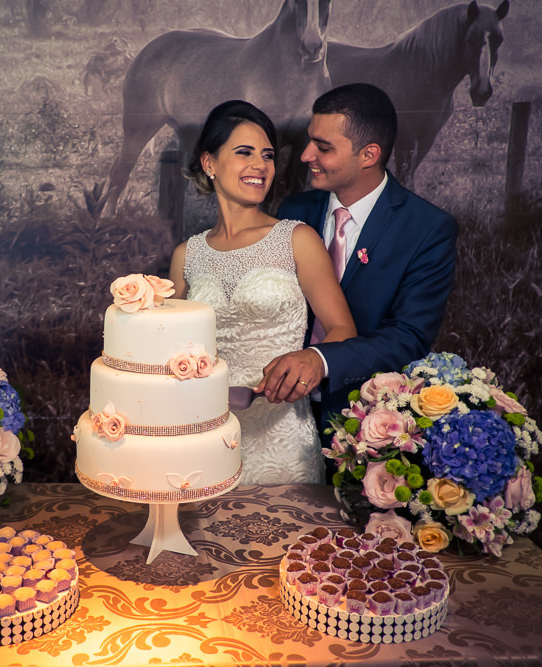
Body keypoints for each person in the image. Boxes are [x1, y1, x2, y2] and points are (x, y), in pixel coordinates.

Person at [255, 82, 458, 442]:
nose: (305, 155)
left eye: (323, 147)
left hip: (362, 424)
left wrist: (321, 359)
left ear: (368, 155)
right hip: (276, 415)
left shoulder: (427, 228)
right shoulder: (293, 210)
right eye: (309, 140)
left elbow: (408, 337)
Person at [168, 100, 356, 484]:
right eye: (245, 153)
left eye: (268, 155)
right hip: (202, 439)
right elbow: (168, 351)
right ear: (209, 162)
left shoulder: (297, 238)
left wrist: (310, 359)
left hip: (283, 443)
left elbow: (343, 330)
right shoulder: (187, 255)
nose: (261, 165)